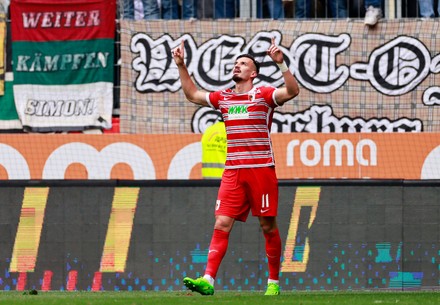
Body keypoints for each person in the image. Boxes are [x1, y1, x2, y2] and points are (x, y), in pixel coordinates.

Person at [172, 38, 300, 296]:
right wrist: (181, 65)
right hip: (233, 171)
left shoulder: (263, 95)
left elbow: (292, 91)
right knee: (221, 222)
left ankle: (273, 282)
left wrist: (281, 64)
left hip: (261, 169)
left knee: (267, 226)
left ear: (253, 73)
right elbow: (192, 95)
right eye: (235, 63)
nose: (237, 66)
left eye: (243, 63)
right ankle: (208, 280)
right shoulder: (224, 98)